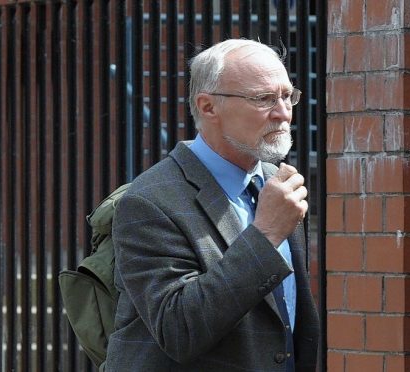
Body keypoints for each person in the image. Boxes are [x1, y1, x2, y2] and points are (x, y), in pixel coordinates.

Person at [105, 38, 320, 371]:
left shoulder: (275, 182)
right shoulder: (149, 201)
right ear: (208, 107)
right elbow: (179, 330)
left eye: (287, 96)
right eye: (263, 99)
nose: (283, 113)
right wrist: (265, 235)